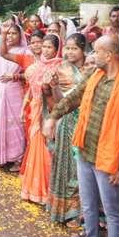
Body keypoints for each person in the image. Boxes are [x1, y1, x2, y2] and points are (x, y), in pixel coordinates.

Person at [43, 34, 119, 237]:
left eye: (97, 52)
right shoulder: (94, 75)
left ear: (109, 55)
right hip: (85, 150)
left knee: (112, 211)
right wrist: (53, 116)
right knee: (88, 204)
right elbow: (74, 97)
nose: (92, 55)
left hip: (109, 159)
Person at [1, 33, 62, 204]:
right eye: (44, 47)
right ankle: (34, 189)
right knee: (35, 145)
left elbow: (60, 95)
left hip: (50, 112)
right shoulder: (38, 66)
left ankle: (49, 191)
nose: (46, 50)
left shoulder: (60, 67)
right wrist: (23, 107)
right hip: (34, 110)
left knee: (47, 149)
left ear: (57, 49)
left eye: (49, 47)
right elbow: (30, 89)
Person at [45, 33, 88, 225]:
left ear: (82, 49)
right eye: (67, 48)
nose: (70, 52)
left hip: (86, 122)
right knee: (66, 167)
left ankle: (81, 213)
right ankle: (65, 210)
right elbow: (59, 99)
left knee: (81, 170)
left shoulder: (92, 68)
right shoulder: (62, 68)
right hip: (66, 121)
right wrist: (53, 87)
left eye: (74, 48)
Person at [0, 23, 26, 170]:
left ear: (20, 35)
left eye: (14, 33)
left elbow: (32, 74)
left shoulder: (25, 52)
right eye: (8, 33)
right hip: (1, 91)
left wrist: (15, 76)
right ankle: (3, 156)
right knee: (1, 123)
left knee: (16, 125)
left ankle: (18, 159)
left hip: (16, 92)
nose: (10, 36)